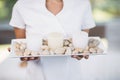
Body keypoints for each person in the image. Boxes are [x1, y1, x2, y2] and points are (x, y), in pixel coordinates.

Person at [9, 0, 96, 80]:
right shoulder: (22, 5)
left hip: (72, 75)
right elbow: (22, 44)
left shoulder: (82, 3)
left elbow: (82, 40)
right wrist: (21, 52)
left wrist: (82, 52)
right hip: (37, 75)